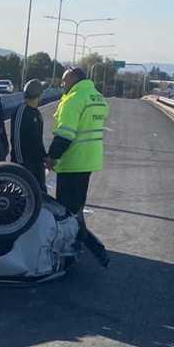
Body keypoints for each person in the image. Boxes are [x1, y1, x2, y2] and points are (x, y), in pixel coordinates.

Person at [46, 67, 110, 267]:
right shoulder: (97, 96)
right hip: (89, 160)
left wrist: (52, 157)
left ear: (73, 79)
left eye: (64, 81)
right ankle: (75, 247)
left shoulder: (74, 99)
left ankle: (89, 247)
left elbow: (65, 133)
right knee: (76, 208)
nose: (62, 85)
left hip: (73, 161)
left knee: (66, 212)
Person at [11, 79, 48, 192]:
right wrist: (20, 163)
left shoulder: (36, 112)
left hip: (37, 163)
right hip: (25, 163)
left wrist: (44, 156)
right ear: (39, 95)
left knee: (41, 193)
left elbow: (37, 139)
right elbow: (16, 139)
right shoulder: (21, 111)